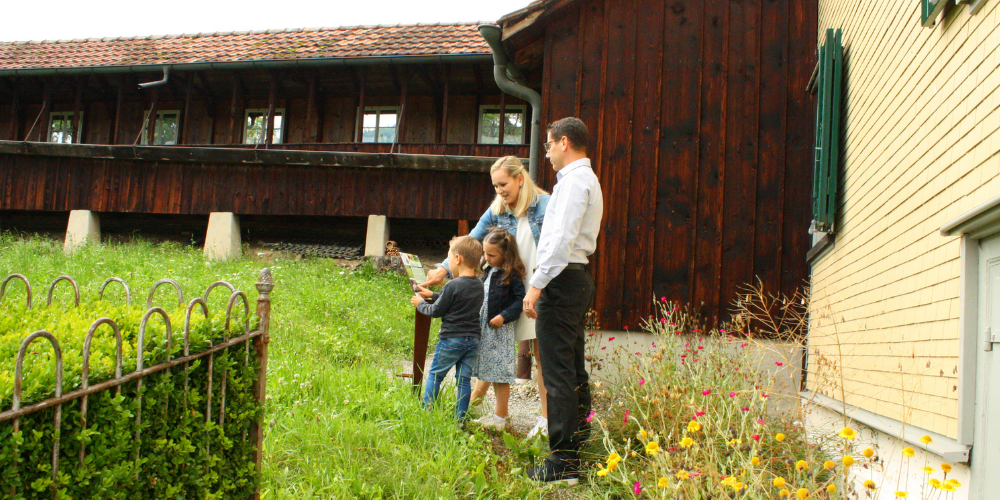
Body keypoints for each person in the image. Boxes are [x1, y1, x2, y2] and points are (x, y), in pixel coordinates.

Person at [420, 155, 552, 438]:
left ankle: (546, 419)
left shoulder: (546, 206)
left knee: (542, 354)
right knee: (493, 350)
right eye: (495, 186)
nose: (499, 190)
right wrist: (444, 269)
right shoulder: (496, 210)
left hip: (538, 288)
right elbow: (471, 240)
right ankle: (482, 410)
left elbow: (558, 247)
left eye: (503, 184)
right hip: (504, 291)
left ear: (520, 179)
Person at [523, 117, 603, 485]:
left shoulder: (574, 182)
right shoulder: (582, 179)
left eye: (549, 144)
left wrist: (536, 285)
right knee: (571, 368)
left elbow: (559, 241)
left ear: (564, 142)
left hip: (561, 279)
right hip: (572, 278)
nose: (547, 152)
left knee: (557, 371)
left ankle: (564, 461)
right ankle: (576, 447)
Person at [410, 236, 484, 421]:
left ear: (457, 259)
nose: (448, 262)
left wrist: (420, 303)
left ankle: (426, 414)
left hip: (452, 339)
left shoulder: (452, 285)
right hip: (473, 340)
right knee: (463, 381)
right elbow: (458, 300)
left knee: (435, 376)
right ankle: (459, 419)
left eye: (449, 258)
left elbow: (436, 311)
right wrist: (434, 294)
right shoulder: (479, 285)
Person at [469, 228, 526, 431]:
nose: (486, 258)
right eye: (485, 253)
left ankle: (501, 417)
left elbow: (520, 301)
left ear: (506, 254)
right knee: (487, 370)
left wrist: (503, 316)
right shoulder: (489, 271)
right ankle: (479, 409)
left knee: (500, 375)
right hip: (485, 330)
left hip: (499, 333)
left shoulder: (512, 275)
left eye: (491, 255)